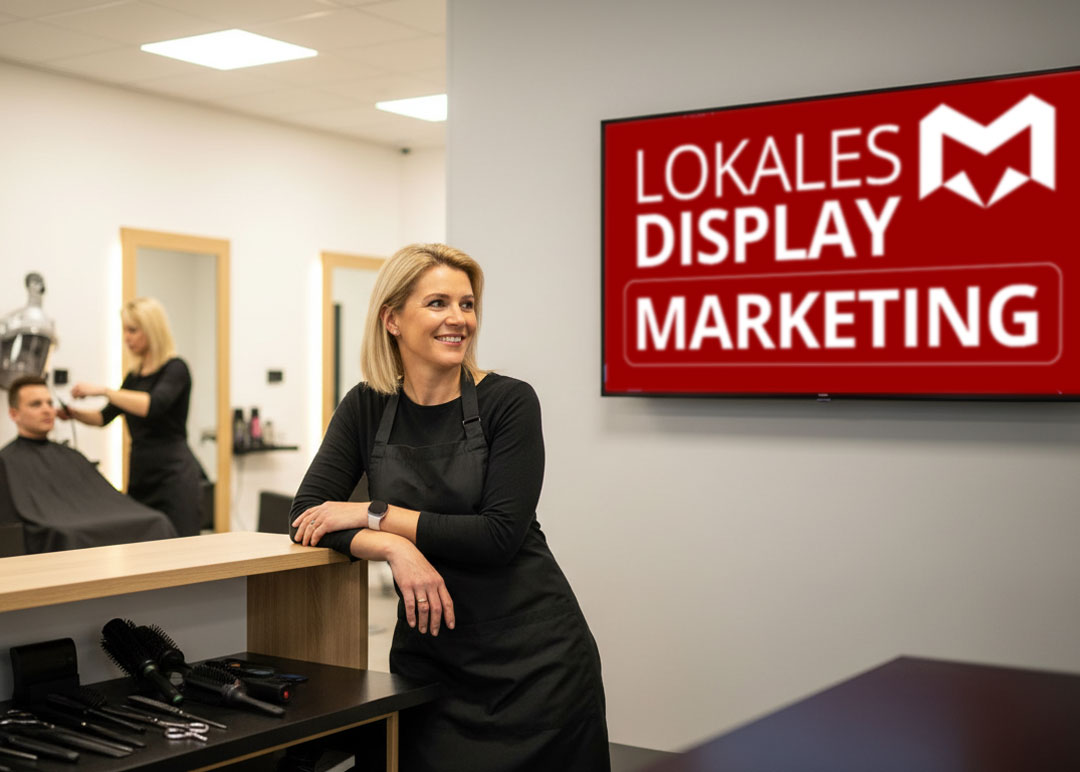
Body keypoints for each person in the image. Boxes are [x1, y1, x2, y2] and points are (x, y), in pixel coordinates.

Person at [290, 244, 610, 771]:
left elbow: (497, 535)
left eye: (467, 304)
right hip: (430, 656)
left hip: (534, 663)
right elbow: (307, 514)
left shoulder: (509, 402)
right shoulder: (366, 405)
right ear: (391, 318)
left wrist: (375, 514)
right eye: (438, 303)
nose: (459, 319)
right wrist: (393, 548)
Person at [61, 297, 203, 536]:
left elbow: (152, 405)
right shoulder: (134, 377)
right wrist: (72, 414)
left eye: (133, 330)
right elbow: (103, 417)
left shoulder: (175, 368)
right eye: (125, 330)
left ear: (152, 330)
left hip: (174, 476)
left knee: (181, 550)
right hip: (141, 473)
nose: (127, 337)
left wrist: (105, 390)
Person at [1, 375, 177, 553]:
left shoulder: (70, 455)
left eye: (49, 403)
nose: (47, 410)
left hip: (95, 517)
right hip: (60, 527)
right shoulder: (6, 461)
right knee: (67, 536)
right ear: (14, 414)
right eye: (36, 404)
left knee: (157, 521)